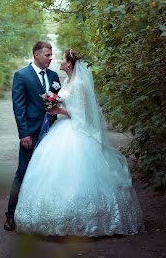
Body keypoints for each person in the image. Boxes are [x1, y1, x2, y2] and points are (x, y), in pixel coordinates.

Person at [14, 49, 143, 236]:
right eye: (50, 56)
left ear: (70, 64)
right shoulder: (66, 81)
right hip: (62, 129)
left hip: (75, 131)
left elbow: (81, 115)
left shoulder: (80, 84)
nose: (57, 60)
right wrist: (54, 104)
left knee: (78, 173)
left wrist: (59, 110)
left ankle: (88, 219)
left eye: (62, 59)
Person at [4, 41, 61, 232]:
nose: (50, 58)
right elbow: (18, 107)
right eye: (47, 55)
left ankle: (43, 214)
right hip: (31, 134)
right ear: (36, 55)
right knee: (23, 172)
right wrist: (24, 134)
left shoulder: (53, 76)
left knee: (48, 173)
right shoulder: (21, 76)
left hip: (52, 133)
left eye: (51, 55)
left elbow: (57, 100)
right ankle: (10, 215)